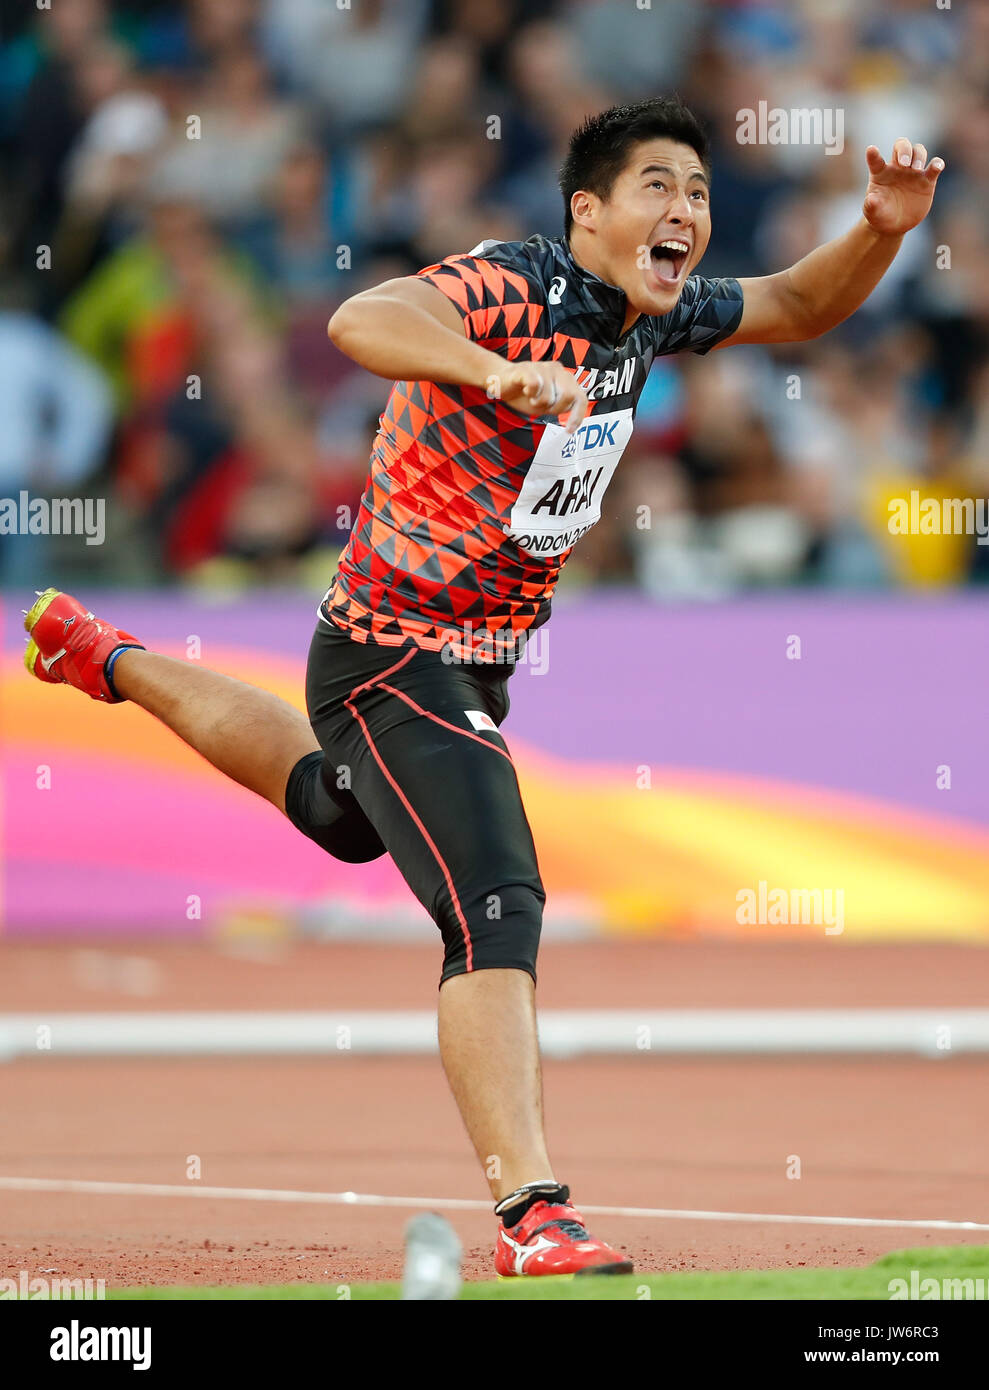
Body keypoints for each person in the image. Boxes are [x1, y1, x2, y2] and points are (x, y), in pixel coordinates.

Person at [23, 97, 944, 1278]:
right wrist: (490, 374)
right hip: (391, 656)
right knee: (495, 903)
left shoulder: (646, 318)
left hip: (470, 664)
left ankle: (106, 659)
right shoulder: (519, 285)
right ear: (587, 213)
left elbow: (799, 304)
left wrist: (878, 228)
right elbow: (367, 314)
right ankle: (532, 1213)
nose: (687, 213)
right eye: (658, 187)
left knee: (334, 812)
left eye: (701, 194)